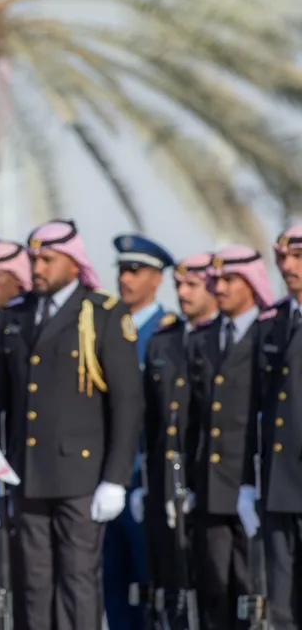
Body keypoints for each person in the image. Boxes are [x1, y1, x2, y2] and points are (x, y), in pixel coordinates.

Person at [0, 219, 143, 630]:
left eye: (48, 259)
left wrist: (115, 478)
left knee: (78, 582)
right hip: (27, 474)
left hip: (82, 476)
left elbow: (127, 404)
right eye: (34, 259)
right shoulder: (18, 314)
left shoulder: (103, 314)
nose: (37, 268)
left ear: (74, 262)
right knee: (33, 583)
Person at [187, 245, 272, 630]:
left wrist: (256, 484)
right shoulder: (203, 338)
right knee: (214, 592)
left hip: (253, 484)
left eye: (229, 280)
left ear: (252, 282)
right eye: (215, 280)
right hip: (210, 486)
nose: (218, 288)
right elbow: (194, 418)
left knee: (253, 593)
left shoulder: (268, 334)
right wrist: (190, 483)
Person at [138, 253, 217, 623]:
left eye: (192, 285)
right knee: (169, 584)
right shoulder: (163, 341)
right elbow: (152, 421)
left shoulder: (220, 340)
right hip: (165, 481)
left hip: (210, 481)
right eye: (179, 285)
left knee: (212, 586)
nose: (183, 293)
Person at [104, 234, 174, 630]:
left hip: (143, 479)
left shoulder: (166, 334)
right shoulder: (106, 328)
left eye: (136, 270)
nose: (125, 279)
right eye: (122, 270)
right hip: (104, 477)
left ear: (156, 278)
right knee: (111, 586)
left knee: (150, 587)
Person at [239, 227, 302, 630]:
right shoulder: (272, 322)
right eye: (281, 258)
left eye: (297, 257)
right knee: (282, 604)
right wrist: (248, 482)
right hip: (280, 485)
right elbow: (253, 409)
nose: (287, 266)